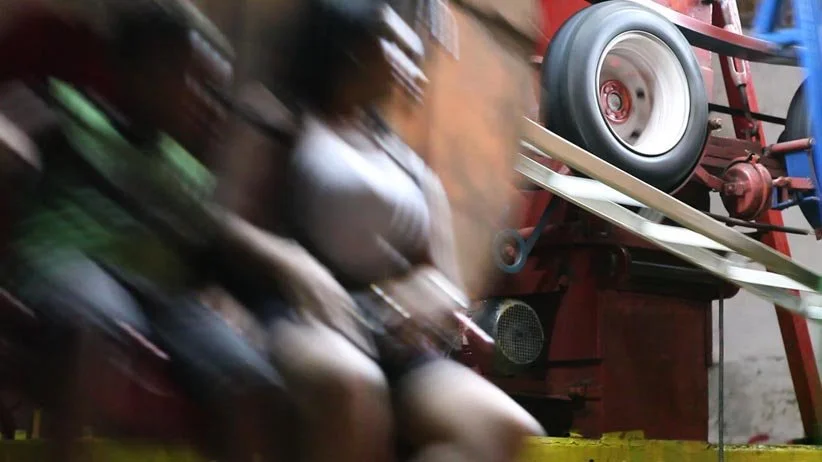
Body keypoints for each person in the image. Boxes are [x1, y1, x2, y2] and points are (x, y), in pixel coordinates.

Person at [212, 1, 545, 461]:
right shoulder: (286, 116)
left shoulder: (404, 160)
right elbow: (224, 219)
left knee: (504, 427)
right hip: (306, 314)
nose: (409, 54)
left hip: (393, 338)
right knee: (352, 383)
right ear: (350, 46)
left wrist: (431, 298)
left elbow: (442, 275)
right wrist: (294, 264)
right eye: (390, 42)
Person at [0, 1, 290, 460]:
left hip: (162, 297)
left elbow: (205, 254)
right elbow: (12, 129)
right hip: (69, 264)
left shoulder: (188, 171)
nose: (207, 102)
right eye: (189, 80)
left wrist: (224, 295)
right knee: (99, 323)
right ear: (134, 71)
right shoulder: (69, 111)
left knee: (248, 377)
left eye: (213, 89)